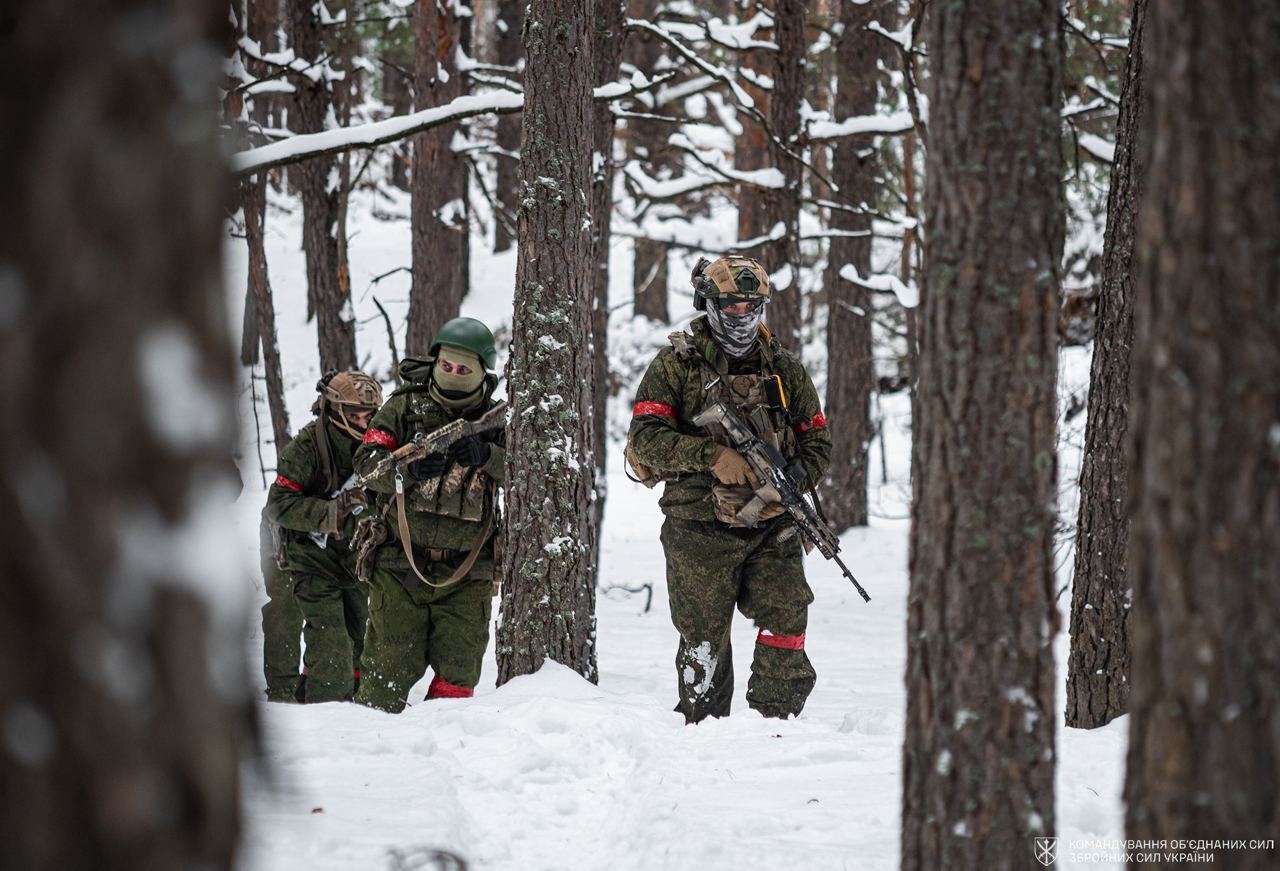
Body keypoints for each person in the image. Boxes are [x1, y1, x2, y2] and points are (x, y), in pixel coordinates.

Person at [626, 255, 832, 723]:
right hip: (697, 526)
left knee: (787, 613)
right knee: (703, 639)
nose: (742, 316)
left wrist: (795, 479)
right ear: (710, 304)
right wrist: (714, 457)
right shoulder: (676, 365)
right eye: (732, 306)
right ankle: (704, 732)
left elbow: (817, 440)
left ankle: (774, 725)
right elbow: (646, 438)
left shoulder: (785, 368)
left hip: (771, 523)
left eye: (751, 306)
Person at [352, 317, 506, 712]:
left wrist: (489, 457)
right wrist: (405, 471)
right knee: (384, 680)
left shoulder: (498, 419)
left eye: (464, 369)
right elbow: (366, 465)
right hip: (399, 568)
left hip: (467, 575)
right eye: (447, 366)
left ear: (481, 373)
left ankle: (438, 765)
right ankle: (378, 756)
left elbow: (533, 476)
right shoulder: (403, 407)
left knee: (458, 681)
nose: (453, 375)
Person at [265, 370, 384, 703]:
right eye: (354, 415)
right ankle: (318, 711)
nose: (363, 422)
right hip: (300, 549)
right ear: (333, 410)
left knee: (361, 638)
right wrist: (332, 512)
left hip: (350, 553)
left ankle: (356, 712)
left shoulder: (378, 444)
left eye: (369, 415)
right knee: (329, 645)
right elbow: (278, 504)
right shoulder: (307, 447)